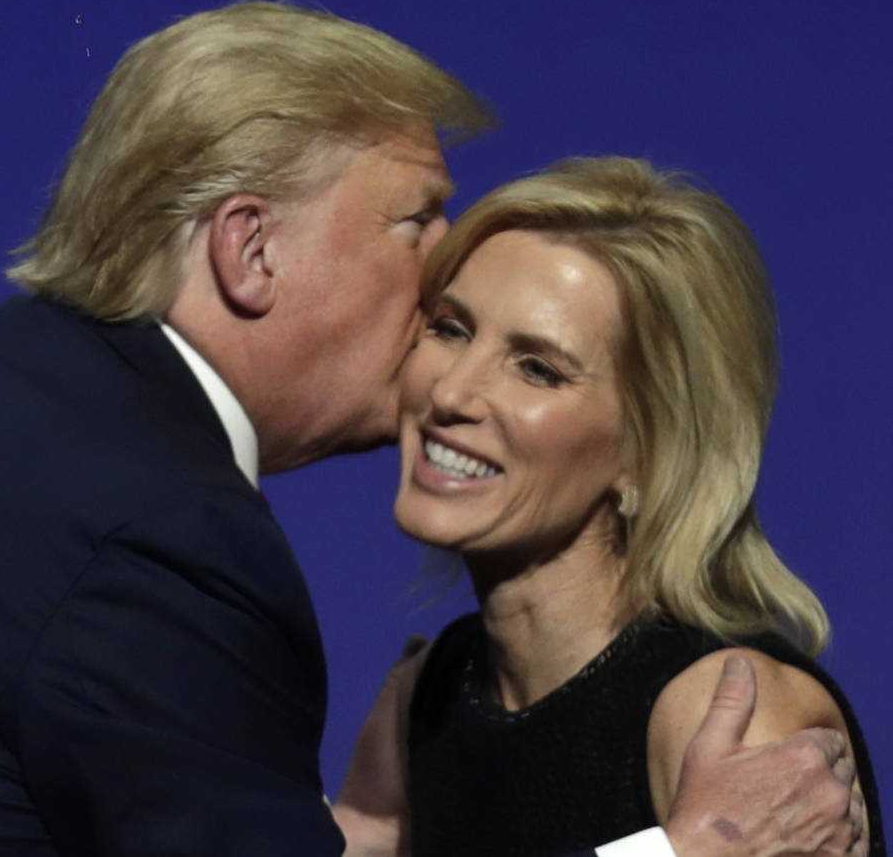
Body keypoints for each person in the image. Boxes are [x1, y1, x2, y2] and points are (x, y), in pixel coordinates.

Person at [0, 3, 860, 856]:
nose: (442, 352)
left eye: (534, 363)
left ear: (651, 442)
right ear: (250, 248)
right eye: (422, 233)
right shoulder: (157, 533)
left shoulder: (735, 717)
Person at [332, 157, 879, 857]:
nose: (451, 395)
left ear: (650, 456)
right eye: (451, 329)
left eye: (538, 368)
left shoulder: (734, 713)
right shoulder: (425, 698)